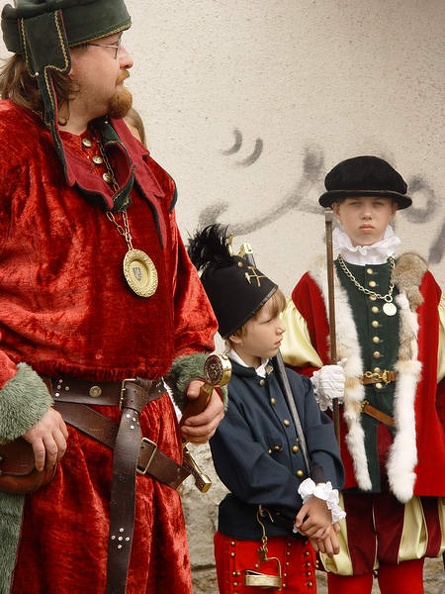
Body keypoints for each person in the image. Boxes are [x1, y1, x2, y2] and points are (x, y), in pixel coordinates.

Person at [0, 2, 225, 593]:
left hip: (145, 453)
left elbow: (179, 290)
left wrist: (193, 371)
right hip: (51, 460)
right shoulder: (8, 147)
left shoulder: (128, 156)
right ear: (63, 58)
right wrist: (12, 395)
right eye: (112, 44)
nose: (128, 59)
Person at [280, 155, 445, 594]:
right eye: (355, 204)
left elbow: (442, 377)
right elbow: (287, 370)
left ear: (393, 211)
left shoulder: (421, 285)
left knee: (404, 566)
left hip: (407, 451)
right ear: (337, 211)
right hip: (340, 451)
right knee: (346, 566)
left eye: (377, 204)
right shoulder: (314, 285)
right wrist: (315, 380)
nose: (366, 214)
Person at [187, 224, 345, 593]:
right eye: (268, 320)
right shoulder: (220, 393)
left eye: (280, 317)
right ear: (236, 333)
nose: (281, 329)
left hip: (298, 534)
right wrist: (310, 510)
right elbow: (251, 469)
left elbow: (321, 437)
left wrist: (322, 494)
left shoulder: (295, 383)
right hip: (252, 541)